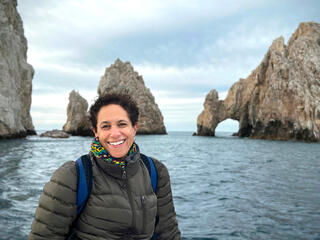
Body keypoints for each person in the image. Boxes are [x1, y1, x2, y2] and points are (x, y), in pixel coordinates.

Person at [28, 93, 181, 239]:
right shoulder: (72, 175)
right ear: (96, 132)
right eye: (106, 126)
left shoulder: (155, 171)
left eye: (122, 124)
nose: (114, 133)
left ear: (134, 128)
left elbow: (168, 233)